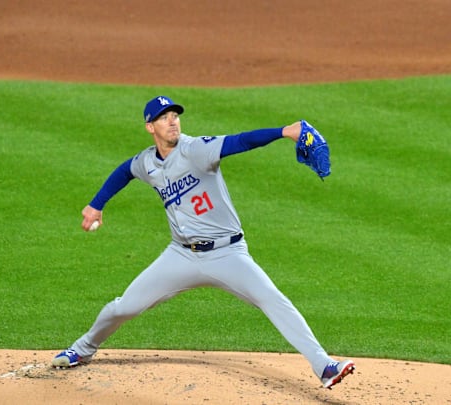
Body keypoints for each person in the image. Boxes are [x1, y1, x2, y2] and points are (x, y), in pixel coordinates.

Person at [52, 95, 355, 389]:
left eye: (175, 116)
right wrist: (96, 205)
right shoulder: (147, 162)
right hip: (180, 256)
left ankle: (324, 366)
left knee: (273, 299)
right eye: (164, 118)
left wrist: (285, 132)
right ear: (150, 127)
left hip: (227, 254)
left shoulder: (196, 149)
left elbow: (241, 141)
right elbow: (124, 172)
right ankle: (82, 348)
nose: (172, 122)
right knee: (125, 307)